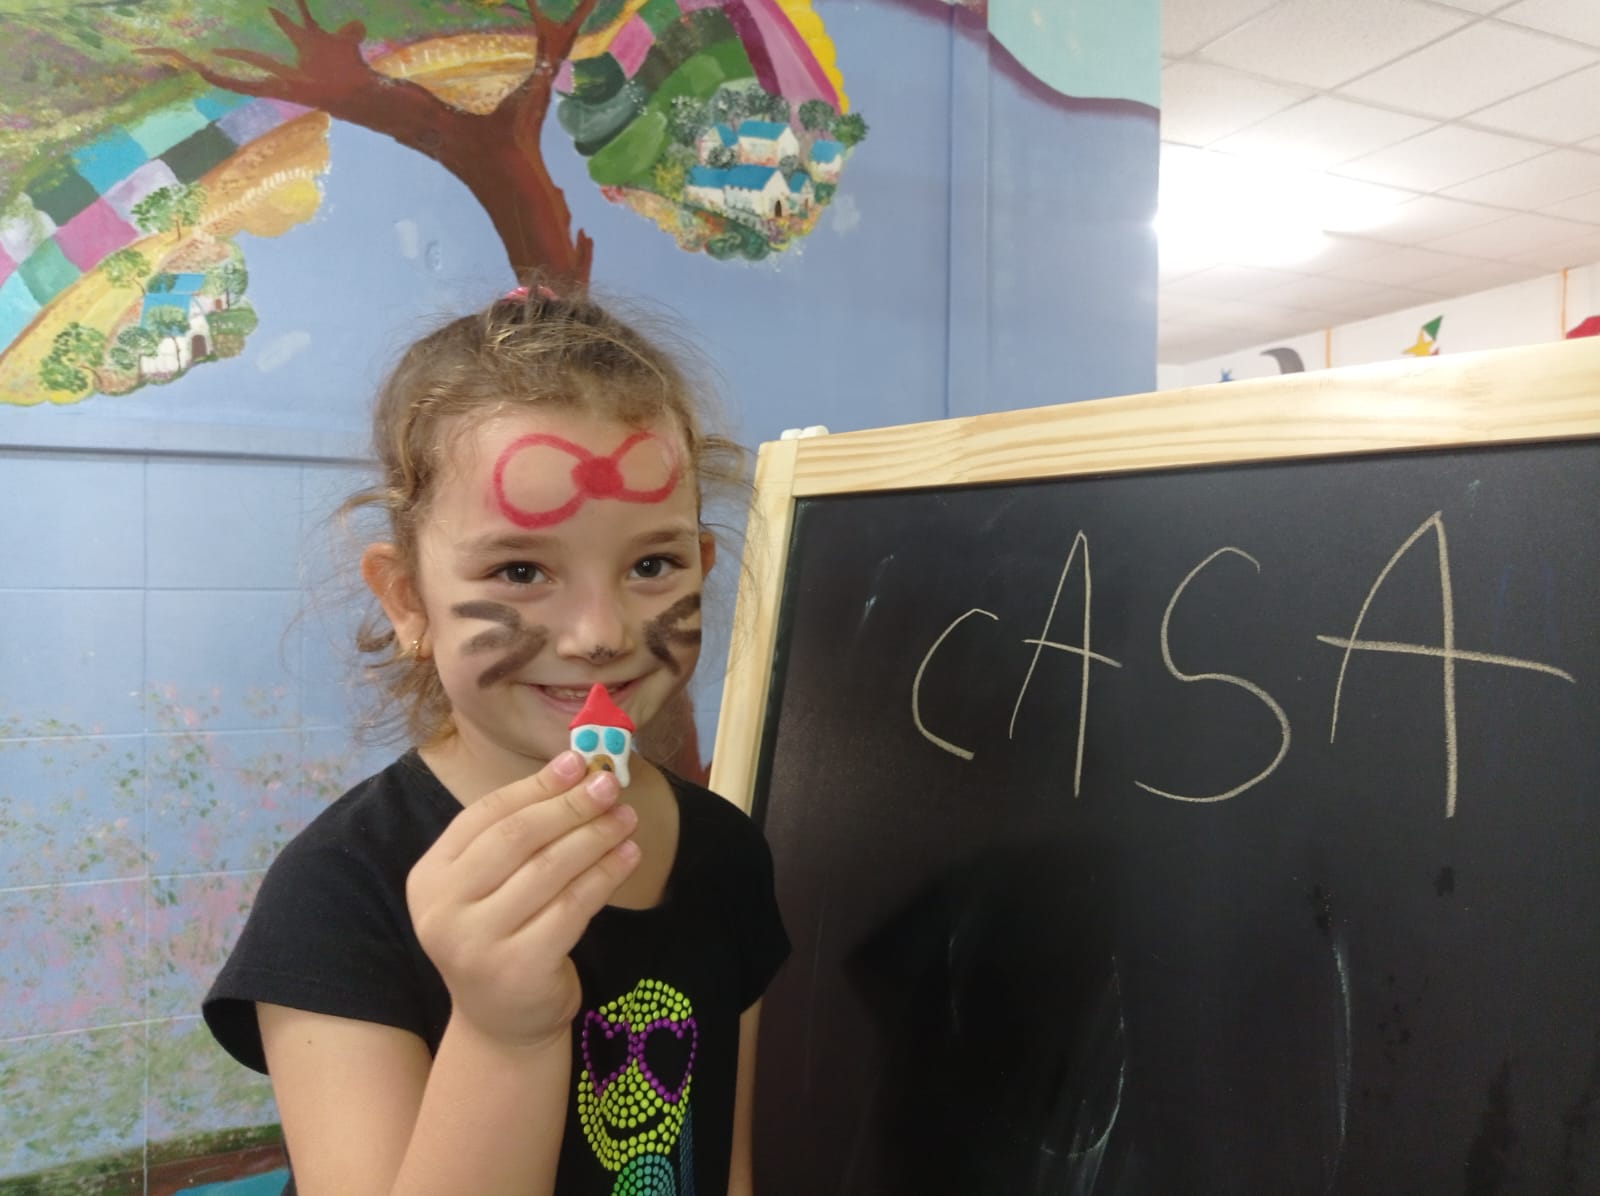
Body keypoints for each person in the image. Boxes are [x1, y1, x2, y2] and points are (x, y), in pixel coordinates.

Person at [203, 281, 790, 1196]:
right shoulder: (339, 893)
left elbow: (726, 1168)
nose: (600, 634)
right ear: (408, 600)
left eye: (652, 563)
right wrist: (501, 1031)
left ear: (701, 567)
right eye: (520, 570)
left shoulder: (726, 854)